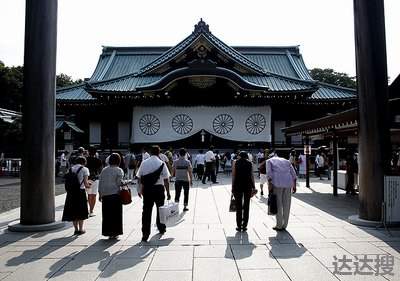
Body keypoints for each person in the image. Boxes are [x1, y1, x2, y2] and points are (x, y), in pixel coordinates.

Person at [136, 145, 171, 242]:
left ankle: (145, 233)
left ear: (150, 152)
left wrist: (139, 190)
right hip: (159, 189)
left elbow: (139, 178)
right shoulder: (161, 163)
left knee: (146, 211)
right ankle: (161, 227)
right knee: (160, 209)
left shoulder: (144, 163)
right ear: (159, 153)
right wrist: (168, 192)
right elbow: (166, 179)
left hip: (147, 189)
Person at [266, 153, 297, 231]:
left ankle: (279, 225)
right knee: (287, 204)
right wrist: (294, 186)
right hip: (288, 184)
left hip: (277, 183)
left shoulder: (269, 161)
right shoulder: (286, 161)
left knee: (278, 204)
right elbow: (294, 174)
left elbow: (269, 174)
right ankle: (284, 225)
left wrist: (269, 185)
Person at [62, 156, 91, 235]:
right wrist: (89, 185)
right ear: (84, 162)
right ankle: (81, 229)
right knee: (81, 211)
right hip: (80, 192)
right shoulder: (85, 169)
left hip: (71, 193)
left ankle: (76, 229)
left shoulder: (70, 169)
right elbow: (86, 183)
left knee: (73, 211)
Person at [98, 153, 124, 239]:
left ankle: (108, 232)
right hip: (115, 194)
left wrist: (100, 194)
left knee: (107, 215)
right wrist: (125, 182)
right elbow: (118, 183)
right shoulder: (119, 170)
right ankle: (115, 232)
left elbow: (100, 182)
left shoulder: (104, 170)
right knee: (116, 215)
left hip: (105, 195)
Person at [232, 151, 256, 232]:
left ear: (239, 156)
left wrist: (232, 187)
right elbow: (252, 176)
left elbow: (233, 175)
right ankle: (245, 225)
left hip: (237, 186)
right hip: (247, 186)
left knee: (238, 207)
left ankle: (239, 226)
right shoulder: (250, 163)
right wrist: (254, 187)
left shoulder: (235, 162)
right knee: (246, 206)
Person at [86, 147, 103, 216]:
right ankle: (91, 210)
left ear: (88, 152)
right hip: (96, 179)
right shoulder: (98, 160)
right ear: (95, 153)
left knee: (89, 195)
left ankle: (88, 210)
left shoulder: (86, 160)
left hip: (88, 178)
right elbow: (100, 171)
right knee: (94, 195)